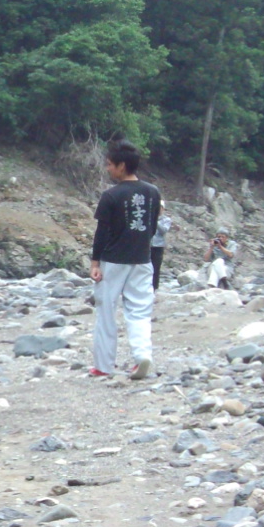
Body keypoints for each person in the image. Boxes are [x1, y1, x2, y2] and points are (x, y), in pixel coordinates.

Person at [90, 139, 163, 380]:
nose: (108, 168)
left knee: (106, 312)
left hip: (114, 260)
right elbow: (152, 228)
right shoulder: (153, 193)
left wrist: (95, 262)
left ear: (122, 166)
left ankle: (103, 366)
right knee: (140, 311)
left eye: (110, 164)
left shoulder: (111, 196)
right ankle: (142, 355)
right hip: (143, 259)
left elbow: (102, 232)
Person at [151, 208, 173, 290]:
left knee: (156, 268)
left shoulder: (166, 220)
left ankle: (155, 288)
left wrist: (155, 221)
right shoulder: (149, 217)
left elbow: (163, 230)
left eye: (160, 207)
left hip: (158, 247)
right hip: (148, 246)